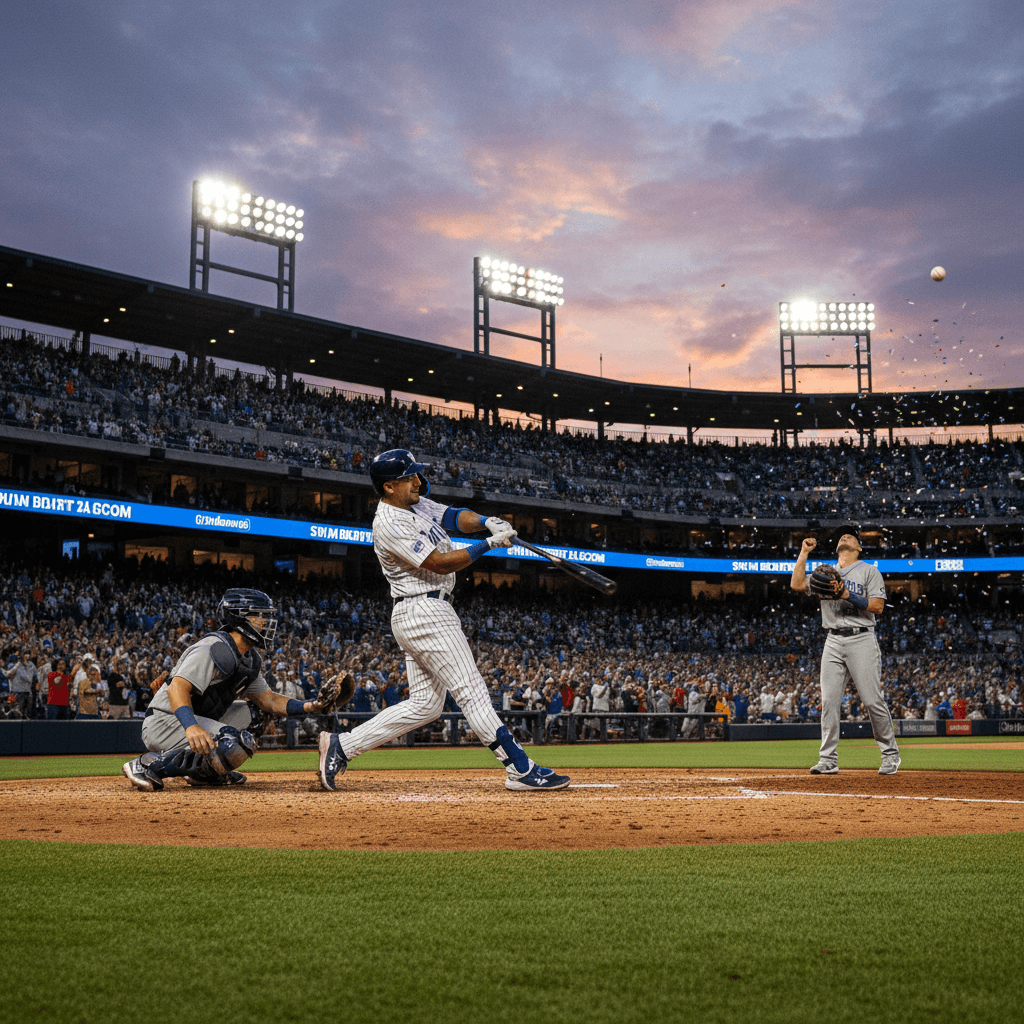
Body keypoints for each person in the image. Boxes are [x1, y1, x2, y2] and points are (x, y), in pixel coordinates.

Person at [317, 449, 570, 792]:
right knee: (471, 691)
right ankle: (520, 768)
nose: (417, 481)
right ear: (389, 486)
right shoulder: (389, 522)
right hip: (425, 611)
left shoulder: (414, 504)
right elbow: (438, 563)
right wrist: (487, 544)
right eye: (409, 477)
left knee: (425, 705)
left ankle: (342, 745)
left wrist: (486, 522)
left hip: (422, 611)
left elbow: (453, 517)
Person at [122, 589, 330, 791]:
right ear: (239, 618)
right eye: (259, 616)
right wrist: (191, 726)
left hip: (194, 719)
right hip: (165, 721)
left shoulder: (248, 658)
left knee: (258, 714)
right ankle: (147, 764)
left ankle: (205, 772)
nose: (266, 622)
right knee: (233, 743)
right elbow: (176, 688)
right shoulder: (213, 647)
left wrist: (312, 706)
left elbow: (269, 700)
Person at [791, 531, 900, 775]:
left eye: (850, 537)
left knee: (872, 700)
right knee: (829, 702)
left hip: (861, 637)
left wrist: (847, 595)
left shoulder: (869, 571)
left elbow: (878, 606)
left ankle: (890, 755)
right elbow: (797, 584)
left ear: (859, 547)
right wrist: (804, 552)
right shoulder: (826, 572)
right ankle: (828, 759)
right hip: (832, 639)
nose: (844, 538)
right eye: (841, 536)